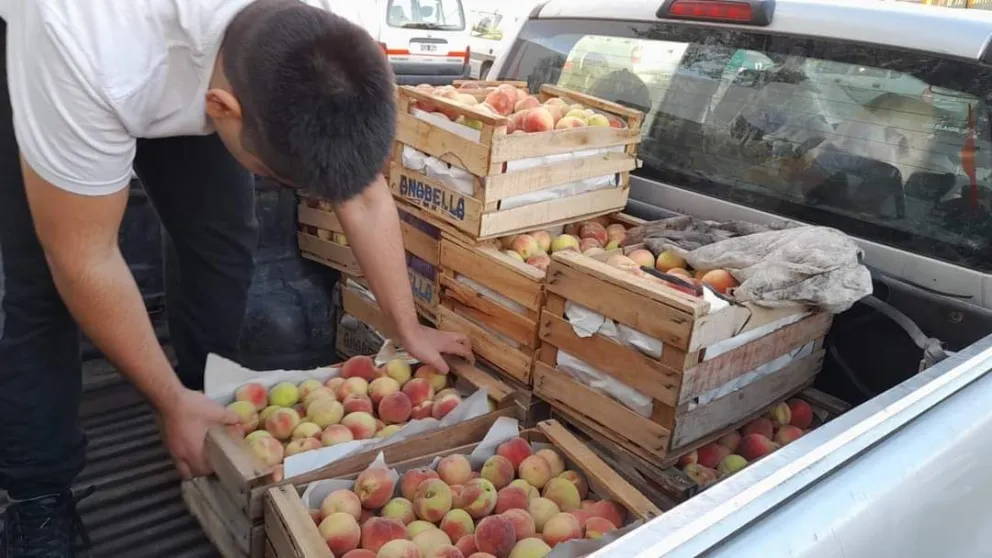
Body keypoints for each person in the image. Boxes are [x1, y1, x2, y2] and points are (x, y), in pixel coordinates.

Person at [0, 0, 472, 555]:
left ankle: (211, 407)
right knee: (42, 285)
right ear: (220, 108)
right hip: (66, 59)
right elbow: (84, 258)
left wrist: (408, 326)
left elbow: (363, 192)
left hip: (203, 56)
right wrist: (164, 399)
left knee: (220, 240)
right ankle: (38, 493)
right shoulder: (79, 47)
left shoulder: (321, 38)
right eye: (279, 177)